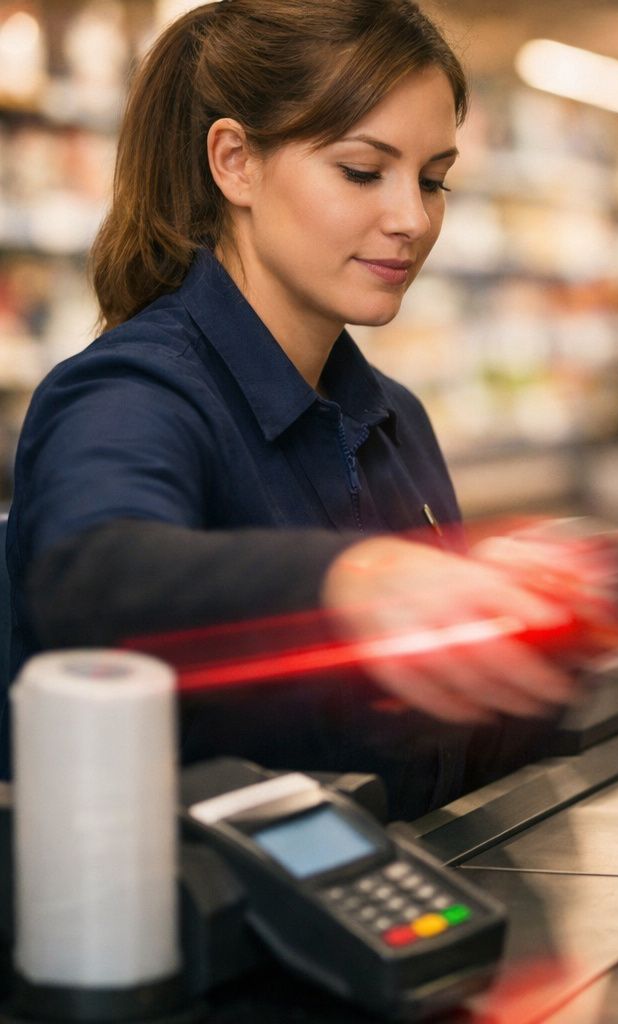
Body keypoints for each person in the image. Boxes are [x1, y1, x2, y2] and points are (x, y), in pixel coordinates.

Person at [5, 0, 575, 818]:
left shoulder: (392, 421)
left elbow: (437, 745)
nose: (411, 218)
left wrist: (538, 646)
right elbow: (92, 576)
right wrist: (353, 580)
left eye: (434, 179)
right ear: (235, 162)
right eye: (361, 170)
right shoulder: (131, 393)